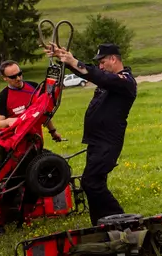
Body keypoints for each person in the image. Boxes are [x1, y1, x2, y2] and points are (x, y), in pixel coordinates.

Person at [46, 43, 137, 225]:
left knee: (91, 182)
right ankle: (100, 223)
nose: (101, 66)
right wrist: (67, 59)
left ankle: (123, 221)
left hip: (107, 143)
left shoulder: (125, 82)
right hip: (96, 141)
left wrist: (75, 61)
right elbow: (96, 74)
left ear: (113, 59)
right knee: (94, 183)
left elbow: (99, 76)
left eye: (103, 62)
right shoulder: (109, 79)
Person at [0, 60, 62, 142]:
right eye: (13, 77)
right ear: (4, 78)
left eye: (19, 74)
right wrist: (8, 121)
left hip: (37, 140)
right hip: (16, 143)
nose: (18, 78)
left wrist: (53, 132)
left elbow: (43, 112)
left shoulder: (34, 87)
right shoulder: (2, 97)